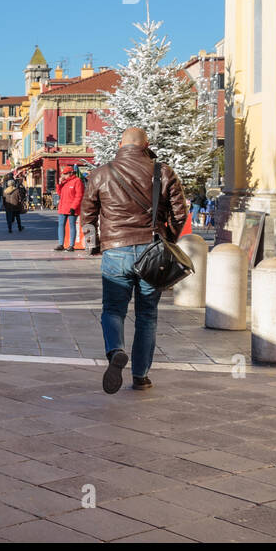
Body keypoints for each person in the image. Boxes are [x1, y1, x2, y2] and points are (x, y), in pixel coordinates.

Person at [81, 127, 187, 394]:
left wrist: (94, 246)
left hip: (116, 251)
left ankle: (115, 350)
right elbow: (179, 213)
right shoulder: (162, 172)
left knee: (113, 310)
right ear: (146, 145)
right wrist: (167, 240)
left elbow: (88, 214)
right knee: (147, 316)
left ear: (120, 144)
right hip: (153, 252)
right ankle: (140, 375)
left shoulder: (101, 173)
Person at [54, 166, 85, 251]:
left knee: (72, 226)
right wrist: (59, 184)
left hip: (72, 208)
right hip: (63, 207)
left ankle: (71, 245)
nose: (64, 175)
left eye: (65, 174)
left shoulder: (77, 181)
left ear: (71, 173)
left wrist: (73, 207)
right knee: (61, 225)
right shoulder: (65, 182)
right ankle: (61, 244)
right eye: (63, 174)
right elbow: (60, 194)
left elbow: (79, 195)